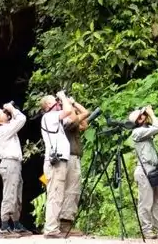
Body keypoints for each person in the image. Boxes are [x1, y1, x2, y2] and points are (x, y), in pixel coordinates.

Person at [129, 105, 158, 239]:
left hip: (153, 169)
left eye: (143, 115)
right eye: (140, 116)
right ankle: (146, 230)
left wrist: (150, 115)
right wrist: (151, 113)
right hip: (144, 170)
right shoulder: (137, 133)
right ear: (136, 121)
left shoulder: (147, 129)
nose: (143, 116)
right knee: (146, 201)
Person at [0, 102, 31, 238]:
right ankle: (4, 227)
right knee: (9, 194)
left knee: (17, 195)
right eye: (1, 112)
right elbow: (21, 119)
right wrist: (11, 109)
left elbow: (16, 119)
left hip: (15, 164)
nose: (4, 112)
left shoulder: (7, 127)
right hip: (9, 163)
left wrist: (11, 110)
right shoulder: (1, 130)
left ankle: (16, 224)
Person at [39, 91, 77, 239]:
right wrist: (62, 97)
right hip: (55, 162)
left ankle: (52, 227)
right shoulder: (49, 116)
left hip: (60, 161)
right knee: (55, 195)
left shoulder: (57, 119)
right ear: (49, 105)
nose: (58, 102)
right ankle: (51, 229)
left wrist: (69, 102)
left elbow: (72, 117)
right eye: (55, 100)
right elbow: (67, 111)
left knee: (58, 194)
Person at [59, 97, 91, 235]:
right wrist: (70, 104)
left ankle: (66, 222)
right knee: (71, 190)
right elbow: (86, 113)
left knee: (73, 189)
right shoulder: (65, 122)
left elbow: (85, 124)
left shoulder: (72, 123)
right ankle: (65, 224)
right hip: (69, 157)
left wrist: (74, 104)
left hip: (74, 157)